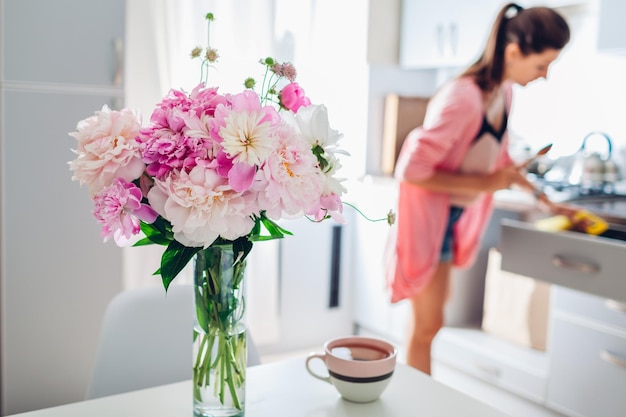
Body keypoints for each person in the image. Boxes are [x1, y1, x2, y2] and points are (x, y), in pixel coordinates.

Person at [385, 3, 572, 375]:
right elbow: (411, 170)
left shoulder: (503, 93)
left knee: (429, 321)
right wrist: (486, 183)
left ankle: (414, 396)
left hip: (450, 216)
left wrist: (544, 199)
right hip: (428, 216)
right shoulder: (463, 98)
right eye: (541, 65)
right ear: (514, 52)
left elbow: (498, 157)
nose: (546, 75)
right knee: (428, 324)